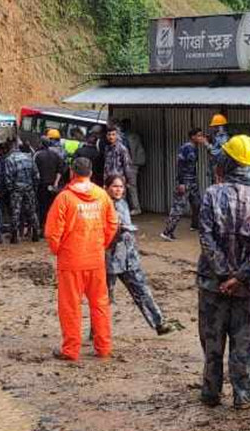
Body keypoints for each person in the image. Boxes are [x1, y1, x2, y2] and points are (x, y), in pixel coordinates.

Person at [197, 135, 250, 410]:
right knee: (245, 343)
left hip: (212, 284)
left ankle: (211, 392)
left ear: (226, 162)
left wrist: (222, 274)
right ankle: (243, 395)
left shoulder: (211, 195)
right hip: (246, 286)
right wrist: (239, 276)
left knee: (212, 341)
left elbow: (205, 237)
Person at [45, 158, 119, 361]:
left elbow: (52, 232)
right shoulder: (102, 196)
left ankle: (70, 350)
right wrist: (101, 244)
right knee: (100, 304)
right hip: (95, 259)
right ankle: (103, 347)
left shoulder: (64, 198)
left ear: (72, 172)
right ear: (91, 172)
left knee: (70, 306)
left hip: (71, 260)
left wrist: (59, 251)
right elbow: (113, 223)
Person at [103, 175, 177, 335]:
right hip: (109, 260)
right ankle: (97, 332)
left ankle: (159, 323)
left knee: (142, 291)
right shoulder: (102, 205)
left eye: (121, 187)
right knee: (104, 298)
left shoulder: (122, 203)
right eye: (115, 186)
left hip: (129, 258)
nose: (118, 190)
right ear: (106, 187)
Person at [161, 128, 208, 241]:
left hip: (192, 182)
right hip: (185, 182)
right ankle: (167, 232)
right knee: (178, 207)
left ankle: (195, 225)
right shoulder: (186, 148)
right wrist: (181, 182)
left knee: (197, 204)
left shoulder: (195, 148)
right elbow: (180, 165)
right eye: (198, 135)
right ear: (192, 137)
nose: (200, 137)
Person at [4, 140, 41, 244]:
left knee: (15, 212)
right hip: (29, 188)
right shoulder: (29, 158)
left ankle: (15, 236)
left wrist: (11, 189)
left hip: (16, 189)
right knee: (32, 211)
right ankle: (35, 233)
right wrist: (34, 187)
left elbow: (8, 178)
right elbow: (36, 175)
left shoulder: (9, 159)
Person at [35, 129, 67, 232]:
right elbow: (61, 170)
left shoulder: (38, 155)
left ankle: (42, 227)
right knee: (52, 207)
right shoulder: (59, 153)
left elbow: (35, 172)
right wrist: (56, 183)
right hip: (54, 185)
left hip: (42, 185)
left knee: (41, 207)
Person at [120, 118, 146, 215]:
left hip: (132, 164)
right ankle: (128, 206)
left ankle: (136, 207)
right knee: (127, 186)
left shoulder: (131, 137)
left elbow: (132, 151)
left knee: (131, 186)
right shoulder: (127, 136)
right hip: (129, 164)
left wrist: (130, 163)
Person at [208, 113, 230, 178]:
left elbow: (217, 152)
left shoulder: (224, 137)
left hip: (221, 167)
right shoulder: (216, 136)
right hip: (216, 167)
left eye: (215, 126)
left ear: (220, 126)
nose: (213, 128)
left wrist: (207, 145)